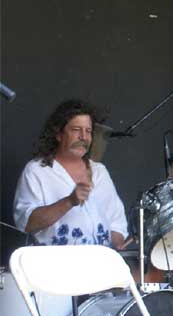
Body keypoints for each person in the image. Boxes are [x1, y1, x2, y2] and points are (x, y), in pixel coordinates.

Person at [14, 99, 128, 248]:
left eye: (88, 131)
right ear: (58, 134)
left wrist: (116, 249)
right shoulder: (36, 170)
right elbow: (27, 223)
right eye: (76, 130)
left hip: (99, 265)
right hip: (54, 265)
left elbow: (117, 225)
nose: (84, 137)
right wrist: (69, 201)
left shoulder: (100, 172)